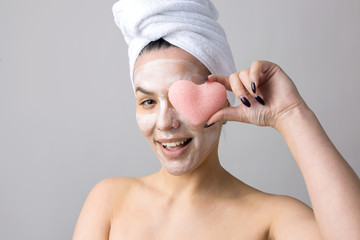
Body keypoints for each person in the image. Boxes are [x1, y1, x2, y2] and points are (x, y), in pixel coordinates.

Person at [73, 1, 360, 239]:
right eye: (148, 101)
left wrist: (291, 114)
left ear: (223, 96)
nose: (164, 123)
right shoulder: (109, 202)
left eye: (181, 100)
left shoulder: (272, 219)